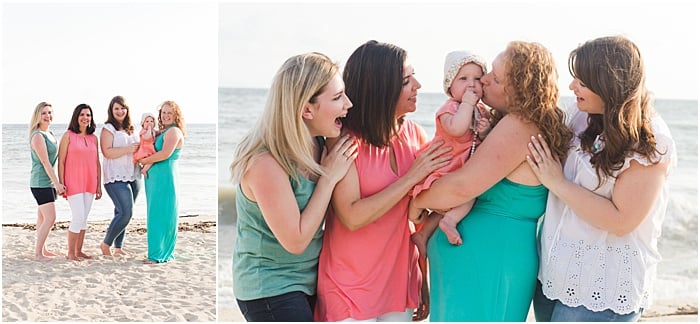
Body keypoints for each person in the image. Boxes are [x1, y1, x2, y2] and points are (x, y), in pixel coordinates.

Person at [413, 41, 573, 321]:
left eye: (495, 79)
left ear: (518, 90)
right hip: (481, 261)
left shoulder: (519, 125)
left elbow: (461, 187)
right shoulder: (506, 122)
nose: (483, 80)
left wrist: (417, 198)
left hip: (488, 263)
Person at [529, 36, 677, 322]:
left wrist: (557, 182)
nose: (572, 87)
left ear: (608, 84)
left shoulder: (651, 140)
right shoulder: (579, 116)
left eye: (581, 82)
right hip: (552, 276)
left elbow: (622, 220)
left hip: (601, 289)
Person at [315, 40, 452, 322]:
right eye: (406, 80)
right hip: (349, 287)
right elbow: (351, 216)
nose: (418, 85)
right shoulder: (345, 141)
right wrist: (412, 175)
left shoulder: (414, 134)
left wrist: (421, 280)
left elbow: (418, 216)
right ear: (380, 89)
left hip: (399, 283)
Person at [230, 52, 357, 322]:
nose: (348, 103)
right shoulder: (265, 162)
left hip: (312, 279)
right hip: (269, 288)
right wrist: (329, 178)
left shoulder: (319, 142)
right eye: (337, 98)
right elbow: (296, 241)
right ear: (306, 110)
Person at [410, 50, 491, 253]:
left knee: (466, 195)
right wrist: (467, 104)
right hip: (446, 166)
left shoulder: (479, 110)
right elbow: (457, 129)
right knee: (464, 194)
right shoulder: (449, 109)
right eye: (463, 78)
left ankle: (425, 232)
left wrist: (485, 130)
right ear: (449, 85)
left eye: (477, 78)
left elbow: (483, 141)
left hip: (462, 168)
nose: (471, 84)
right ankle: (444, 220)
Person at [138, 100, 186, 263]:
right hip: (155, 180)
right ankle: (158, 252)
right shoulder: (164, 132)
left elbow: (165, 154)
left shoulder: (173, 132)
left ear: (175, 116)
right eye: (163, 113)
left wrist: (145, 161)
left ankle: (159, 254)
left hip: (165, 179)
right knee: (155, 214)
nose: (165, 116)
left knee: (162, 214)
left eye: (169, 113)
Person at [58, 103, 102, 261]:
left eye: (88, 115)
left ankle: (78, 251)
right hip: (73, 182)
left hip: (89, 182)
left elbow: (97, 162)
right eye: (82, 114)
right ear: (76, 117)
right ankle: (70, 252)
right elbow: (61, 161)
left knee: (84, 218)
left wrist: (98, 185)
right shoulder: (68, 135)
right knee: (78, 216)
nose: (85, 118)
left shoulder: (93, 138)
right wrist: (61, 183)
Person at [100, 95, 141, 256]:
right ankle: (105, 244)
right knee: (126, 212)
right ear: (111, 110)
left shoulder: (132, 127)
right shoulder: (108, 129)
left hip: (134, 175)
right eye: (116, 108)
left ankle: (118, 247)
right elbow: (106, 152)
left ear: (127, 109)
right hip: (115, 176)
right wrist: (127, 149)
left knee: (120, 212)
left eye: (122, 108)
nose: (120, 111)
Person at [29, 102, 66, 262]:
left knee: (43, 218)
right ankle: (38, 254)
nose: (47, 116)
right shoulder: (37, 135)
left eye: (49, 112)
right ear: (38, 115)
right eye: (44, 113)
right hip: (40, 182)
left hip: (47, 183)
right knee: (50, 218)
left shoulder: (49, 133)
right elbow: (45, 162)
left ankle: (42, 249)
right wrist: (57, 183)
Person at [133, 112, 157, 176]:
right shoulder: (143, 131)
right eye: (147, 121)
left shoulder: (153, 131)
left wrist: (161, 132)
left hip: (149, 148)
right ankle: (144, 170)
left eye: (151, 121)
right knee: (151, 160)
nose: (149, 123)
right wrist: (149, 130)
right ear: (143, 124)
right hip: (145, 149)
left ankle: (144, 168)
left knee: (151, 160)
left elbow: (156, 133)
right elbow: (147, 137)